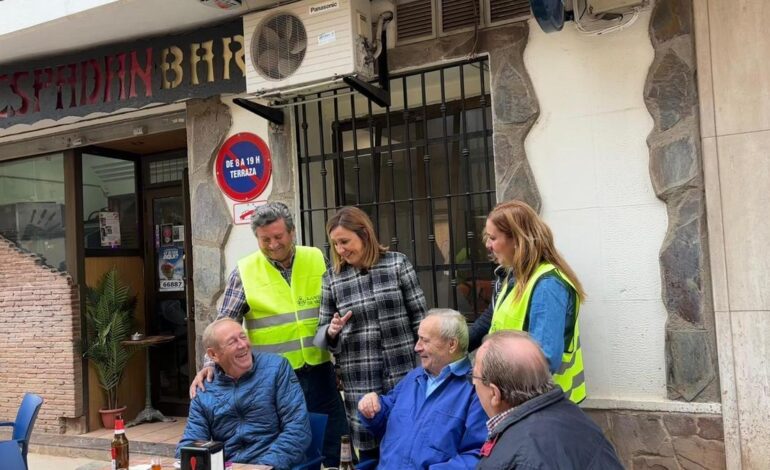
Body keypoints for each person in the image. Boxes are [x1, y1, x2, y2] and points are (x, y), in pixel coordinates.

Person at [188, 202, 348, 466]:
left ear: (292, 232)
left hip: (319, 370)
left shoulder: (317, 258)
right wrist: (210, 363)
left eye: (278, 237)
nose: (273, 244)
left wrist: (340, 365)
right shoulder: (245, 271)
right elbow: (224, 323)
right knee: (293, 448)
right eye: (265, 240)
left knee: (335, 443)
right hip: (274, 380)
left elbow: (335, 311)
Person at [314, 206, 427, 461]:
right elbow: (321, 336)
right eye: (336, 244)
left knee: (408, 444)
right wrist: (331, 330)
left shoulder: (398, 264)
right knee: (369, 452)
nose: (341, 250)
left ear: (364, 234)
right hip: (360, 382)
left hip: (403, 375)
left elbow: (421, 319)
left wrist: (425, 366)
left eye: (345, 241)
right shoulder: (332, 279)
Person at [469, 200, 587, 403]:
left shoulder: (548, 285)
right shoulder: (514, 276)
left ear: (517, 239)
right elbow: (491, 318)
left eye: (493, 238)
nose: (488, 245)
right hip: (520, 398)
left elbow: (545, 357)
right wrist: (451, 343)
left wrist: (486, 368)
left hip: (543, 404)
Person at [472, 330, 623, 469]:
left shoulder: (516, 458)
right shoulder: (576, 417)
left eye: (474, 376)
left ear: (494, 393)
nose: (472, 382)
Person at [356, 309, 487, 469]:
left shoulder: (474, 390)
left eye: (425, 340)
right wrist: (371, 407)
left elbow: (476, 455)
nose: (416, 347)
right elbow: (385, 419)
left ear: (451, 344)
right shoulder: (414, 377)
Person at [177, 318, 311, 468]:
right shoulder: (204, 387)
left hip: (273, 464)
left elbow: (298, 429)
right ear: (213, 355)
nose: (243, 345)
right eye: (232, 342)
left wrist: (264, 466)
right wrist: (185, 459)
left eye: (243, 336)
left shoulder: (276, 368)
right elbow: (191, 441)